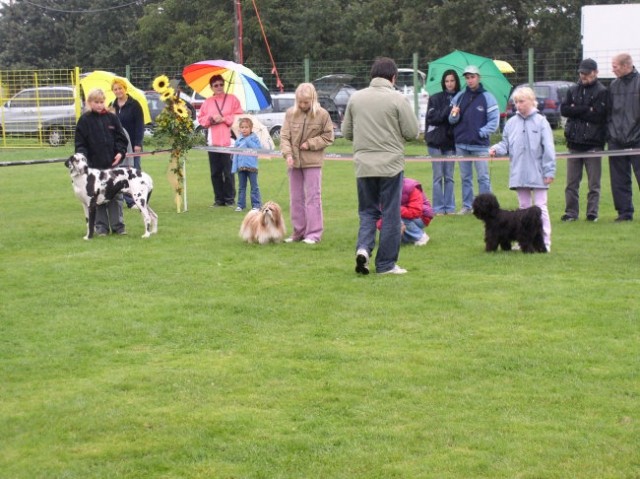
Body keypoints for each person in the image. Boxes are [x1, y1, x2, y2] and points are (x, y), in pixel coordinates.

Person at [342, 57, 420, 275]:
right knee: (391, 214)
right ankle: (386, 264)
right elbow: (412, 132)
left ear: (372, 75)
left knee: (368, 212)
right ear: (393, 77)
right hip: (390, 166)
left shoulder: (355, 99)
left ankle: (363, 249)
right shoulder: (397, 99)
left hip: (364, 165)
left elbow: (347, 132)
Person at [489, 87, 556, 252]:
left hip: (538, 172)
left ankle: (544, 242)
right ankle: (523, 241)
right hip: (519, 172)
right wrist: (496, 148)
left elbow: (549, 148)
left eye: (521, 101)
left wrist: (549, 171)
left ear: (531, 101)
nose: (518, 105)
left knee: (541, 208)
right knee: (523, 207)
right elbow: (505, 144)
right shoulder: (511, 123)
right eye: (516, 102)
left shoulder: (541, 121)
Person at [280, 83, 334, 244]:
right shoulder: (290, 114)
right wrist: (288, 154)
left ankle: (314, 234)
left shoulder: (322, 115)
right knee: (295, 198)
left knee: (313, 198)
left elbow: (328, 137)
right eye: (300, 102)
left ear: (313, 99)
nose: (303, 105)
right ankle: (298, 232)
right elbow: (284, 137)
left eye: (306, 102)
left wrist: (310, 143)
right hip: (294, 163)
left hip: (313, 162)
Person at [74, 88, 129, 236]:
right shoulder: (84, 120)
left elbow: (121, 138)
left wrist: (120, 152)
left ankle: (119, 227)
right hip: (93, 167)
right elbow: (80, 144)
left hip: (112, 165)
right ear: (89, 103)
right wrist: (83, 159)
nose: (99, 105)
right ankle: (101, 227)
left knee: (116, 195)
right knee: (95, 197)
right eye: (96, 102)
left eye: (101, 102)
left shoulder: (112, 118)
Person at [560, 58, 608, 223]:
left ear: (595, 72)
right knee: (571, 183)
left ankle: (592, 213)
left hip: (593, 144)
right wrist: (586, 109)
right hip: (574, 143)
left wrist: (577, 110)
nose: (583, 76)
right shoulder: (572, 90)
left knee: (593, 183)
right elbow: (565, 110)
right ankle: (571, 213)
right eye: (581, 73)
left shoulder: (602, 91)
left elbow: (599, 115)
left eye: (586, 73)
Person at [449, 65, 500, 215]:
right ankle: (467, 206)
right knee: (466, 178)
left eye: (472, 77)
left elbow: (494, 122)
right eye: (467, 77)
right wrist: (454, 115)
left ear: (478, 78)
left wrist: (481, 133)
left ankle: (487, 208)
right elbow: (451, 121)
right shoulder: (459, 97)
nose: (470, 80)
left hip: (480, 145)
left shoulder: (488, 97)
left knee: (483, 177)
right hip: (461, 144)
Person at [197, 74, 243, 208]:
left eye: (221, 84)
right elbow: (201, 119)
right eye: (216, 85)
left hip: (229, 142)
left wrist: (224, 119)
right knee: (215, 172)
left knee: (228, 172)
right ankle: (218, 199)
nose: (219, 87)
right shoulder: (207, 102)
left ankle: (229, 199)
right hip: (213, 142)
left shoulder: (233, 99)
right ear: (211, 87)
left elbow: (239, 116)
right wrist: (212, 119)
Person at [607, 53, 640, 222]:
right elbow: (610, 112)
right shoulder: (613, 85)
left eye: (615, 66)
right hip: (616, 140)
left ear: (626, 65)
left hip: (637, 140)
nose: (612, 70)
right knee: (619, 179)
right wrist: (611, 134)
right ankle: (624, 213)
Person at [425, 69, 460, 215]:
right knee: (438, 176)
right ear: (443, 82)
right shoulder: (435, 98)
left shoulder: (461, 98)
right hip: (435, 142)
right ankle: (438, 208)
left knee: (449, 176)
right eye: (447, 81)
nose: (449, 83)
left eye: (452, 80)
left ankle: (450, 207)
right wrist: (447, 109)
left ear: (456, 82)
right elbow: (433, 118)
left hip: (451, 142)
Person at [110, 78, 145, 208]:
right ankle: (124, 199)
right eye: (115, 89)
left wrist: (138, 143)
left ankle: (136, 199)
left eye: (120, 88)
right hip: (118, 146)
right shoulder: (112, 105)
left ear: (125, 89)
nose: (118, 91)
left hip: (133, 144)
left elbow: (139, 125)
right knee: (119, 172)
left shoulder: (134, 105)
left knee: (134, 171)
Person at [231, 117, 263, 212]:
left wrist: (248, 140)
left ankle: (256, 205)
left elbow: (258, 149)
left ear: (251, 128)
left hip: (252, 167)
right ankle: (240, 205)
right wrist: (234, 167)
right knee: (241, 187)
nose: (244, 129)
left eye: (246, 127)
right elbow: (235, 154)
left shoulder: (254, 138)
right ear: (239, 129)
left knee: (254, 187)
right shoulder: (238, 140)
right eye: (242, 127)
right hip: (241, 167)